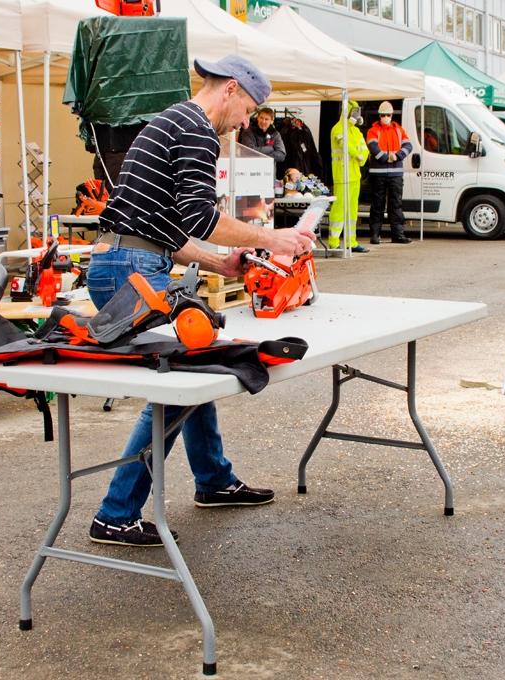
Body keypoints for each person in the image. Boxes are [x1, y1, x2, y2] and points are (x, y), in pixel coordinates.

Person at [86, 55, 316, 547]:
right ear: (230, 89)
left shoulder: (173, 120)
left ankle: (213, 481)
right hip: (131, 270)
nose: (246, 122)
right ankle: (115, 513)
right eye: (249, 108)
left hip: (126, 262)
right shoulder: (196, 129)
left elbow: (164, 227)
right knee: (171, 390)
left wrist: (221, 265)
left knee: (196, 364)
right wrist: (274, 239)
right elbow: (201, 217)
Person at [366, 101, 413, 244]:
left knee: (396, 205)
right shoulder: (373, 130)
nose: (385, 117)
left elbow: (408, 145)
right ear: (379, 115)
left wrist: (398, 156)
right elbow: (372, 146)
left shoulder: (399, 129)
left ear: (392, 115)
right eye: (383, 115)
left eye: (388, 115)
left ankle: (397, 235)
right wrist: (387, 158)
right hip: (378, 174)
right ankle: (375, 235)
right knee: (377, 205)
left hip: (395, 174)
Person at [327, 100, 369, 252]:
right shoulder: (338, 128)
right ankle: (334, 241)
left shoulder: (356, 131)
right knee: (339, 209)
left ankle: (351, 241)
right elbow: (344, 145)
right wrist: (357, 154)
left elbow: (365, 150)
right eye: (354, 112)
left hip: (355, 175)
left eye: (358, 112)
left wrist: (361, 157)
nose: (356, 115)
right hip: (342, 175)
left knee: (352, 210)